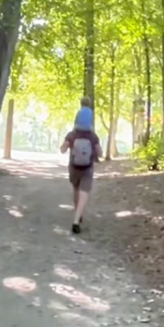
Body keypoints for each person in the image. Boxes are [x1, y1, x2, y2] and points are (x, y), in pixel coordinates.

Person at [59, 98, 102, 234]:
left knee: (76, 189)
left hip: (74, 166)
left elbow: (62, 149)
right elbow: (100, 153)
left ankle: (78, 212)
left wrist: (69, 145)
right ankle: (76, 220)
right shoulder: (93, 136)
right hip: (87, 167)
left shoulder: (72, 134)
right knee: (84, 193)